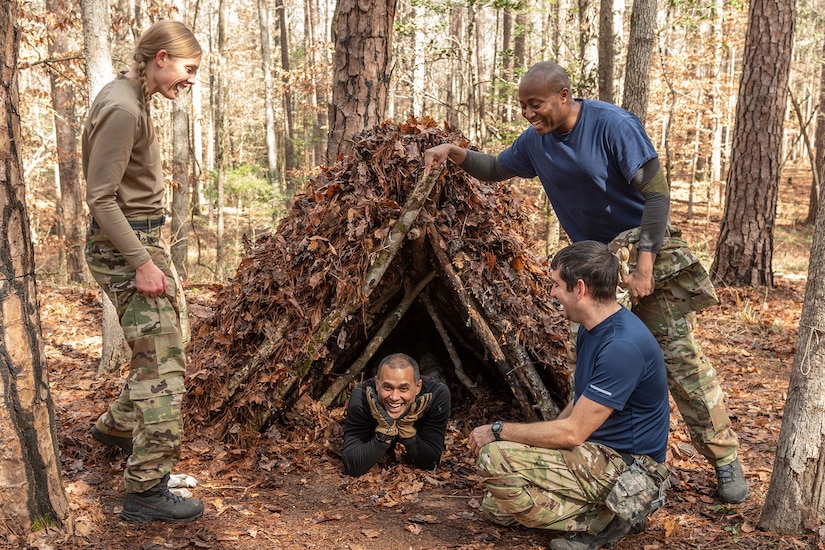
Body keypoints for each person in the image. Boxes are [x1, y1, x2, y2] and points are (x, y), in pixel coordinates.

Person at [424, 61, 748, 504]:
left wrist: (645, 266)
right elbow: (497, 166)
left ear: (564, 94)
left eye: (534, 105)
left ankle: (725, 459)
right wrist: (455, 153)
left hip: (643, 248)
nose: (528, 115)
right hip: (594, 262)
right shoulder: (536, 143)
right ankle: (600, 458)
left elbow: (656, 192)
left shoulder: (611, 125)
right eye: (522, 107)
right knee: (596, 354)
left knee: (676, 357)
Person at [468, 241, 670, 549]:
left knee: (494, 457)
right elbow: (580, 404)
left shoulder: (621, 347)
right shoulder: (592, 329)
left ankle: (610, 518)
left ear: (580, 288)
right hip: (597, 449)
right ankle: (605, 509)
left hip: (626, 465)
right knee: (495, 506)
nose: (551, 293)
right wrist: (539, 442)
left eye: (556, 285)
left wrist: (498, 431)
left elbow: (574, 432)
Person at [82, 20, 204, 523]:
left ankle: (117, 427)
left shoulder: (133, 96)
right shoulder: (122, 108)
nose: (191, 79)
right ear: (159, 58)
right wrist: (143, 263)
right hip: (127, 244)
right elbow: (101, 199)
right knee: (163, 371)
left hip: (145, 237)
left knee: (175, 340)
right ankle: (146, 489)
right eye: (187, 69)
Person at [342, 353, 451, 476]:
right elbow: (352, 465)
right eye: (387, 387)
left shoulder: (436, 395)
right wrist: (384, 433)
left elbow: (432, 462)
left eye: (403, 389)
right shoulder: (362, 396)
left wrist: (407, 433)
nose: (394, 397)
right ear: (377, 384)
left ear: (418, 387)